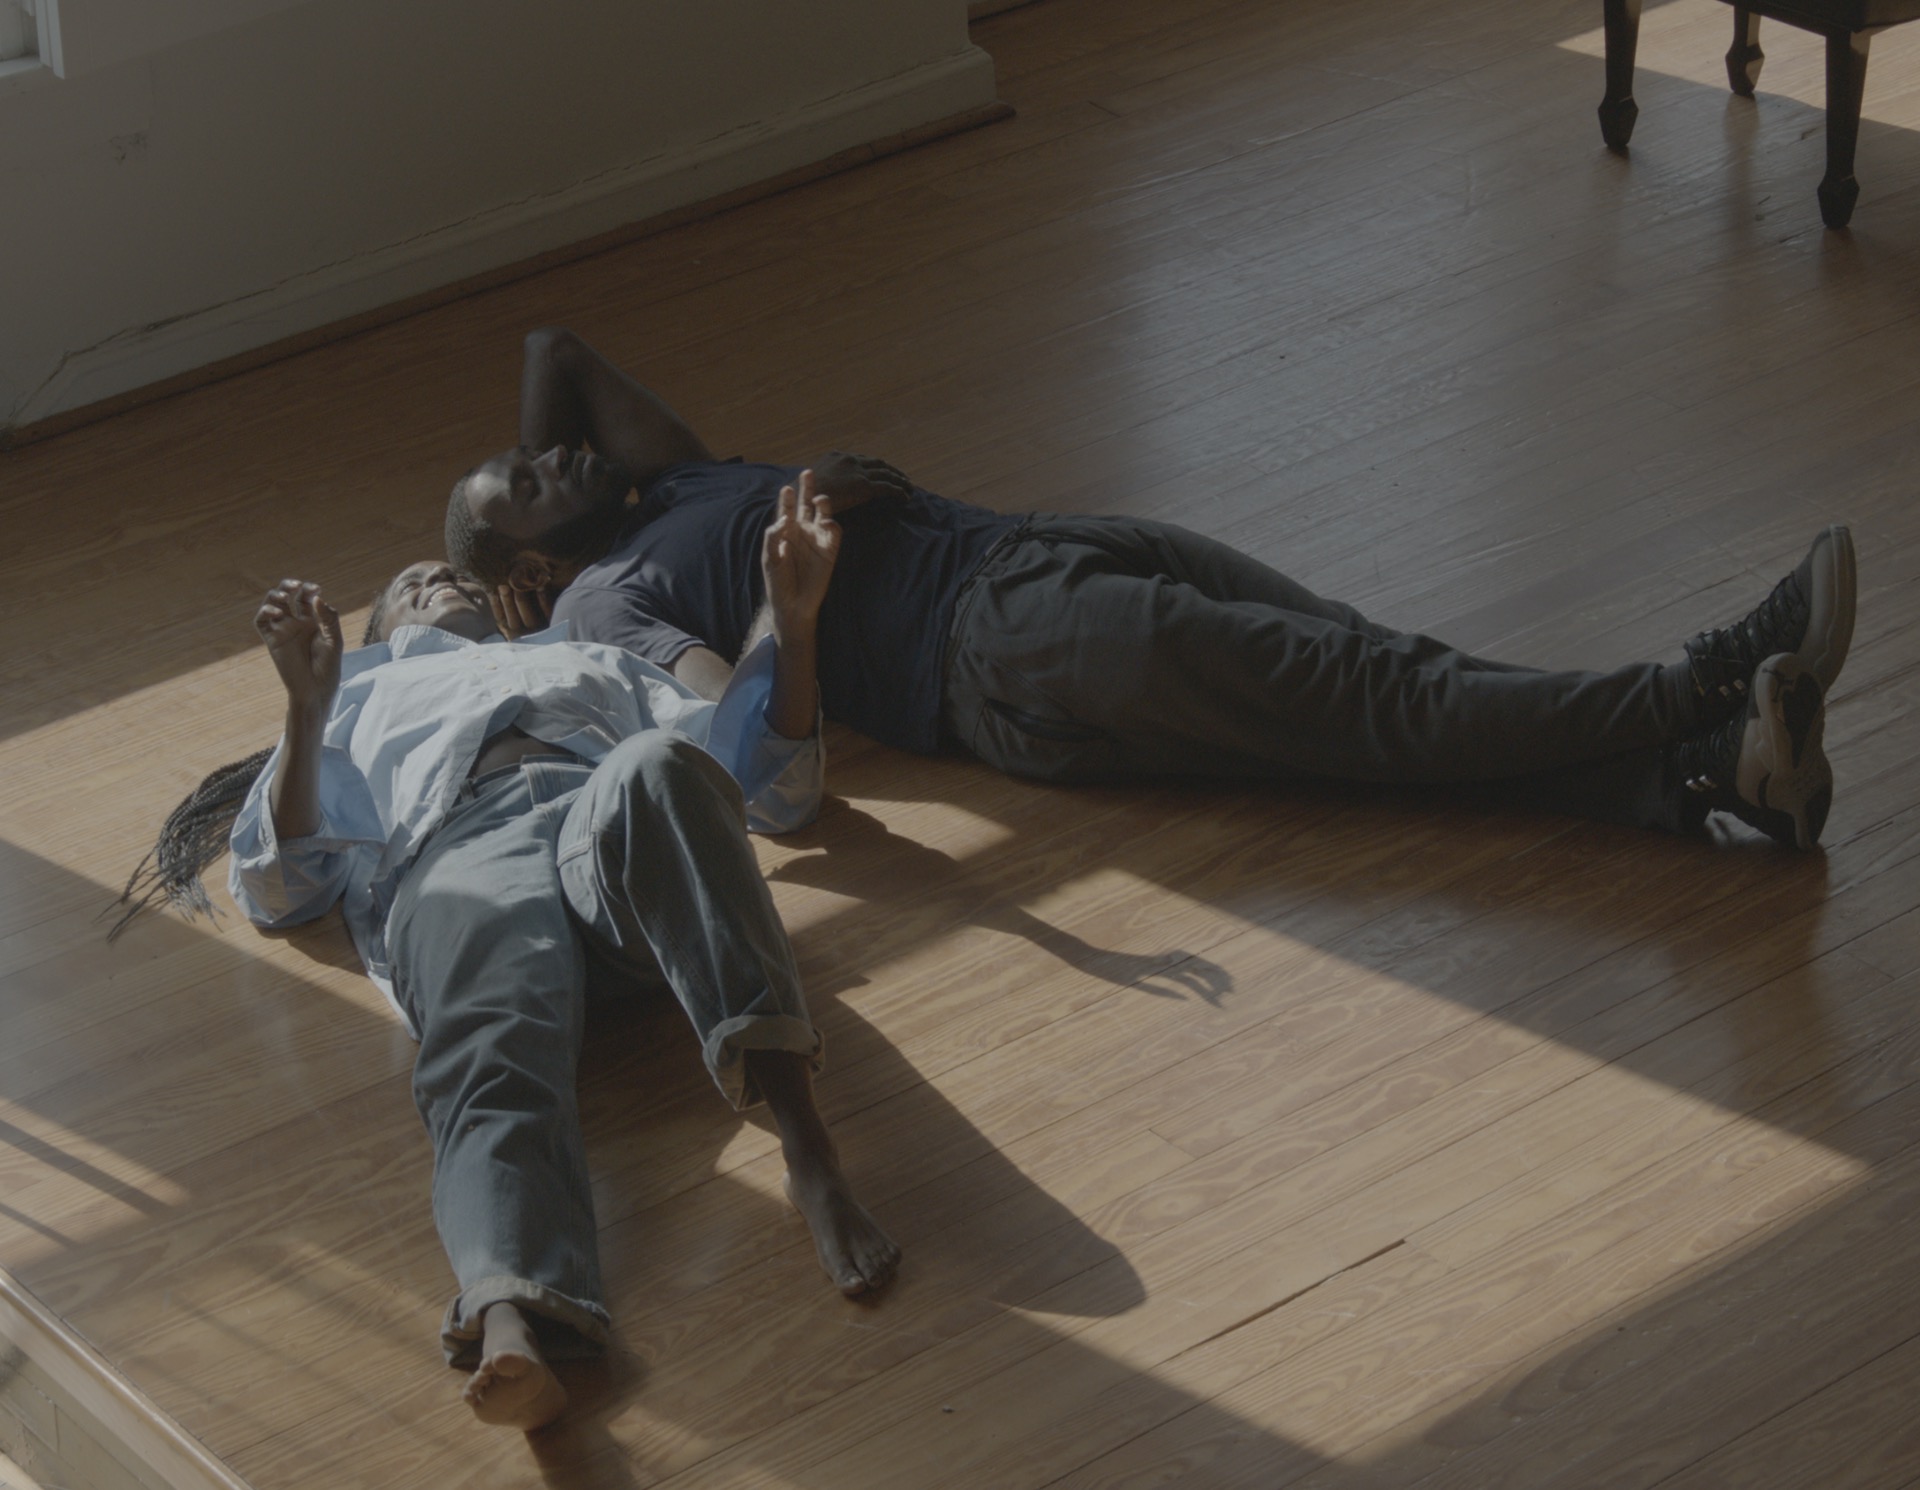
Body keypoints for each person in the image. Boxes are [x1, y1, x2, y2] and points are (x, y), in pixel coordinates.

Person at [445, 327, 1856, 851]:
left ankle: (1706, 779)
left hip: (1033, 549)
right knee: (1367, 696)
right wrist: (785, 613)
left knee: (1357, 677)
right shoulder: (595, 606)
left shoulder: (660, 487)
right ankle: (1706, 681)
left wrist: (502, 515)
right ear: (527, 580)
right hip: (999, 649)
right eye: (520, 479)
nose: (546, 448)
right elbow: (765, 781)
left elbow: (552, 344)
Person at [173, 485, 897, 1433]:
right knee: (486, 997)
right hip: (457, 850)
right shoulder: (355, 690)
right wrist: (307, 714)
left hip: (606, 846)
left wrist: (791, 628)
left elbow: (769, 790)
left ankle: (810, 1150)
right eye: (408, 586)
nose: (431, 578)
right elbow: (280, 888)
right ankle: (510, 1305)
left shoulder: (582, 654)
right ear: (384, 629)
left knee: (657, 766)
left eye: (443, 573)